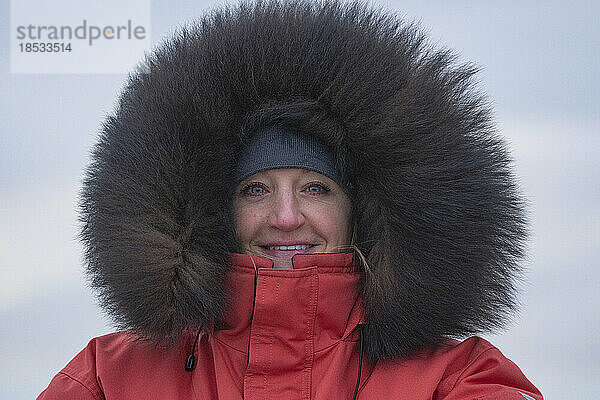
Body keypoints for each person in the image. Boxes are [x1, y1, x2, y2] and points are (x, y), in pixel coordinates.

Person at [38, 1, 543, 399]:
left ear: (362, 211)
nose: (284, 217)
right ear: (215, 213)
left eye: (315, 188)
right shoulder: (107, 379)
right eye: (256, 189)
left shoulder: (458, 378)